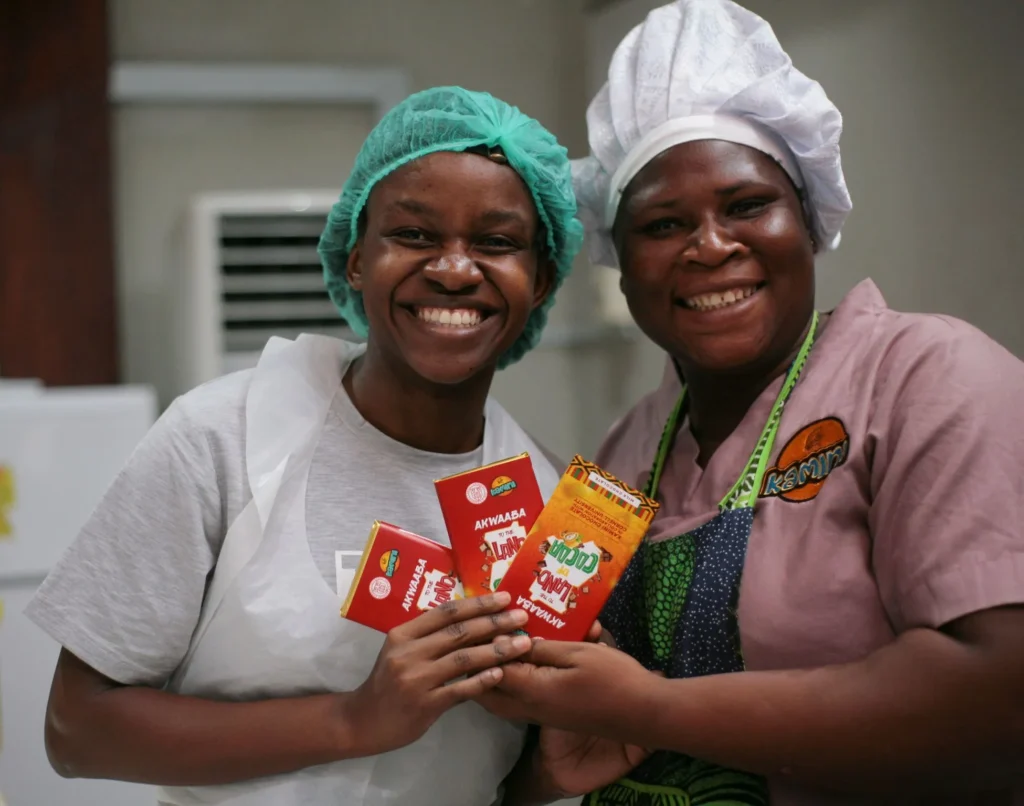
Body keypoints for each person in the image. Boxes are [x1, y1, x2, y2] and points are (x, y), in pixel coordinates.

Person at [483, 2, 1024, 804]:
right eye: (664, 223)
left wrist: (652, 709)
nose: (709, 246)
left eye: (745, 206)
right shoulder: (625, 450)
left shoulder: (927, 377)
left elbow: (998, 688)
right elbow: (557, 702)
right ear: (620, 266)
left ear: (807, 220)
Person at [25, 86, 584, 805]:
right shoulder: (220, 440)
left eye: (497, 242)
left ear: (540, 280)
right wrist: (356, 719)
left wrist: (551, 772)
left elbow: (499, 769)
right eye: (413, 234)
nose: (453, 268)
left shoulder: (556, 504)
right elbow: (76, 732)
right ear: (355, 260)